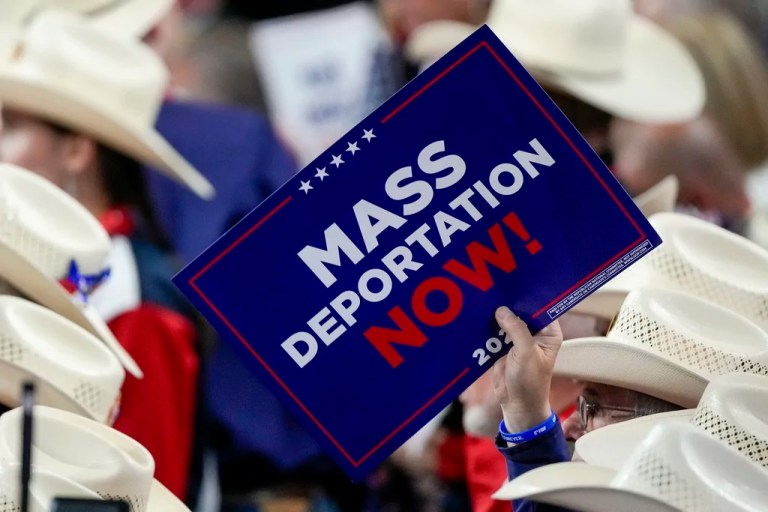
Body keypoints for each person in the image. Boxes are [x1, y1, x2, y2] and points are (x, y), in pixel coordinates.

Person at [0, 11, 213, 499]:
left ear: (76, 149)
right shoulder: (55, 270)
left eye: (8, 125)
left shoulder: (138, 298)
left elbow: (142, 490)